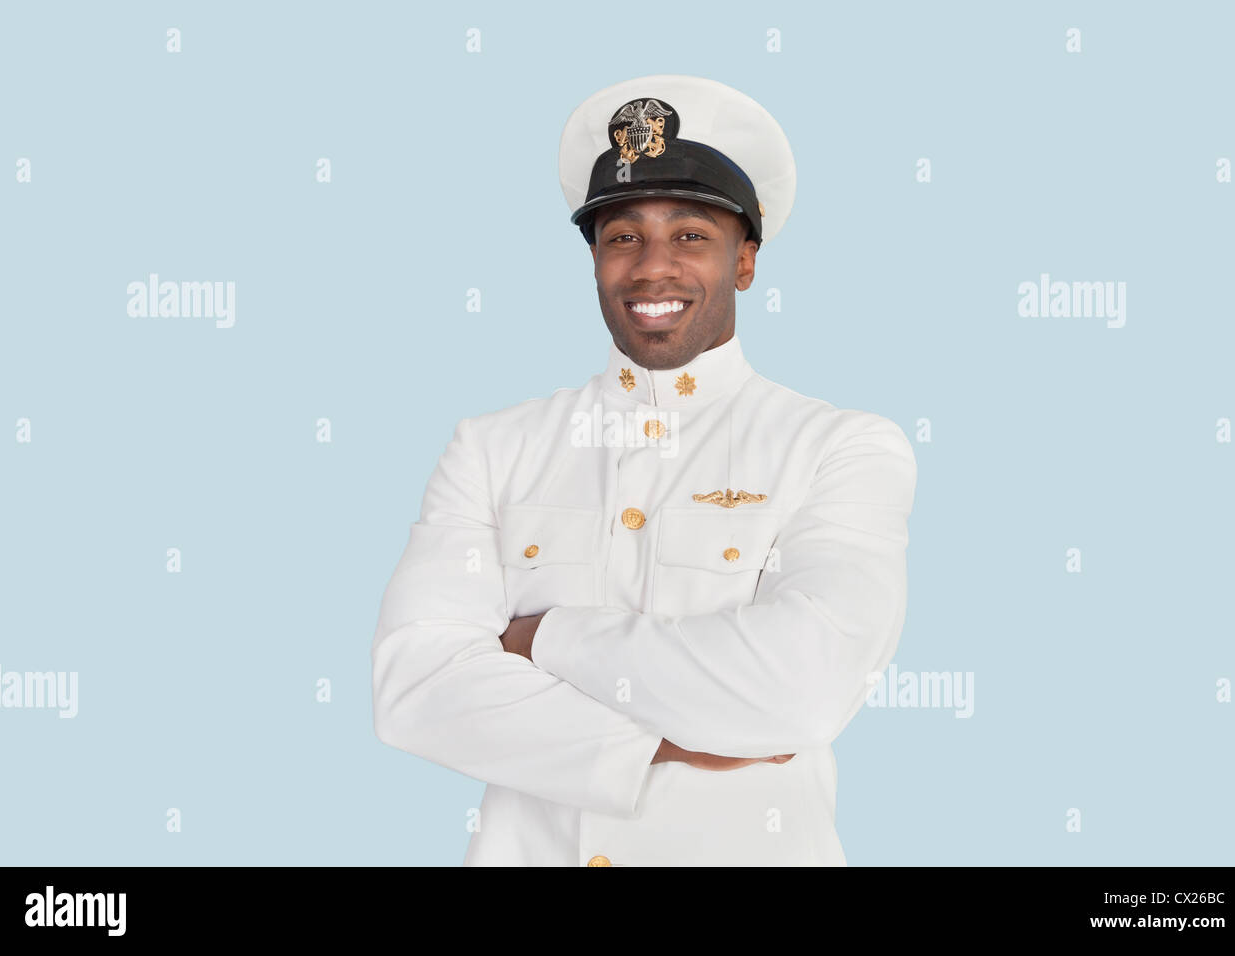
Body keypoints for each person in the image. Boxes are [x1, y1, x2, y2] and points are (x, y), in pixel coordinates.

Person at [371, 74, 917, 866]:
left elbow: (803, 687)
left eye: (691, 235)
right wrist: (666, 742)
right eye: (622, 237)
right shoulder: (492, 448)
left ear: (746, 262)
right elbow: (413, 692)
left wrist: (542, 637)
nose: (652, 268)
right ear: (595, 258)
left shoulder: (837, 446)